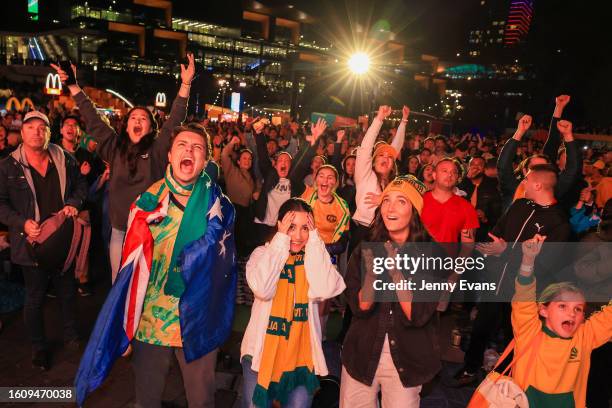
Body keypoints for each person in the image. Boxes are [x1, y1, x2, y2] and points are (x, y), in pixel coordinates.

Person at [75, 123, 237, 407]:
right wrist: (125, 320)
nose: (189, 150)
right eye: (182, 145)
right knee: (147, 399)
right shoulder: (147, 201)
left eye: (197, 147)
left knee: (202, 401)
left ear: (205, 160)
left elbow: (222, 268)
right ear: (170, 156)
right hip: (152, 320)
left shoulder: (218, 206)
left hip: (197, 318)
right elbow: (131, 268)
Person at [51, 53, 195, 282]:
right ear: (126, 126)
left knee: (146, 290)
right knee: (119, 286)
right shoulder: (114, 148)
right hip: (119, 232)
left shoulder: (157, 151)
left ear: (151, 128)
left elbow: (175, 119)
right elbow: (92, 117)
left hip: (151, 233)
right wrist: (72, 85)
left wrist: (185, 84)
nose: (137, 121)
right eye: (133, 118)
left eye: (143, 119)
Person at [455, 164, 572, 386]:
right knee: (480, 329)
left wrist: (505, 250)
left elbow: (547, 264)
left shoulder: (559, 222)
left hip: (523, 294)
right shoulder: (519, 205)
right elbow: (496, 234)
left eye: (526, 179)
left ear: (537, 184)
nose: (523, 183)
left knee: (515, 338)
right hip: (495, 282)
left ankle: (508, 382)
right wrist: (494, 250)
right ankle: (470, 370)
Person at [341, 176, 441, 407]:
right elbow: (360, 307)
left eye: (401, 201)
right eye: (386, 200)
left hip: (407, 361)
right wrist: (373, 275)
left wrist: (396, 273)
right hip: (362, 355)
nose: (391, 208)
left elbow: (417, 314)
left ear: (414, 210)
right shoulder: (366, 248)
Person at [0, 111, 87, 370]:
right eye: (31, 127)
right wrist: (21, 223)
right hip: (31, 244)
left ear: (50, 133)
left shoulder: (64, 158)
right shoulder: (7, 166)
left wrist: (73, 203)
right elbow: (1, 204)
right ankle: (39, 347)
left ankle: (72, 337)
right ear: (22, 132)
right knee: (35, 297)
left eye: (43, 128)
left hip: (62, 239)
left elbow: (81, 185)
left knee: (67, 291)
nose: (37, 132)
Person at [241, 198, 345, 408]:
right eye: (291, 227)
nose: (298, 236)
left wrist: (315, 241)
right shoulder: (262, 253)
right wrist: (280, 241)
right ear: (280, 226)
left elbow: (326, 288)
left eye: (305, 228)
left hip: (301, 359)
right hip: (259, 356)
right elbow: (262, 288)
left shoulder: (314, 258)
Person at [511, 234, 612, 408]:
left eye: (578, 309)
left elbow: (608, 317)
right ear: (543, 310)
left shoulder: (585, 336)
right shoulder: (529, 331)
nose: (572, 313)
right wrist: (528, 260)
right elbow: (523, 298)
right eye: (562, 306)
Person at [252, 118, 327, 247]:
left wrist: (314, 141)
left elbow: (304, 161)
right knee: (262, 255)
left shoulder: (293, 179)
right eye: (280, 160)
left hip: (284, 225)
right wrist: (259, 134)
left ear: (291, 165)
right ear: (275, 165)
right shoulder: (270, 174)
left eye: (287, 161)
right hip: (263, 223)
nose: (284, 163)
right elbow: (263, 156)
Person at [301, 164, 351, 333]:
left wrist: (322, 251)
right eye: (321, 175)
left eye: (330, 177)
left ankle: (319, 335)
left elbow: (343, 242)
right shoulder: (306, 198)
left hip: (328, 256)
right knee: (303, 296)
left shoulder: (342, 207)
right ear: (315, 179)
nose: (325, 180)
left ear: (335, 183)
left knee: (324, 298)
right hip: (304, 252)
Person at [221, 135, 256, 256]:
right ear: (238, 161)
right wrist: (232, 143)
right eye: (244, 158)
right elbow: (224, 155)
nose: (247, 161)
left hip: (245, 213)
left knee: (241, 240)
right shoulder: (231, 171)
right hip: (233, 209)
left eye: (250, 159)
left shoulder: (251, 177)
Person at [458, 156, 502, 242]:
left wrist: (485, 217)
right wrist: (467, 178)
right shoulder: (462, 184)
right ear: (468, 167)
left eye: (479, 165)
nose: (475, 167)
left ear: (484, 168)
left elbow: (497, 213)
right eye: (472, 164)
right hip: (461, 231)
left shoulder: (493, 185)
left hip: (482, 232)